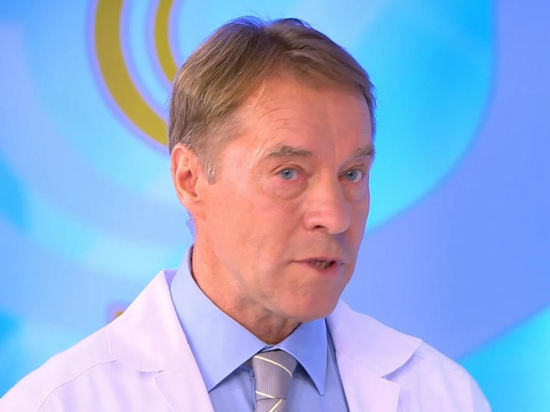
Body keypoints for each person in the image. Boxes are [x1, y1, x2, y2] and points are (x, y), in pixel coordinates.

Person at [1, 17, 490, 411]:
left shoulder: (442, 394)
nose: (335, 217)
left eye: (352, 174)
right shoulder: (57, 403)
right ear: (190, 179)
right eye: (288, 173)